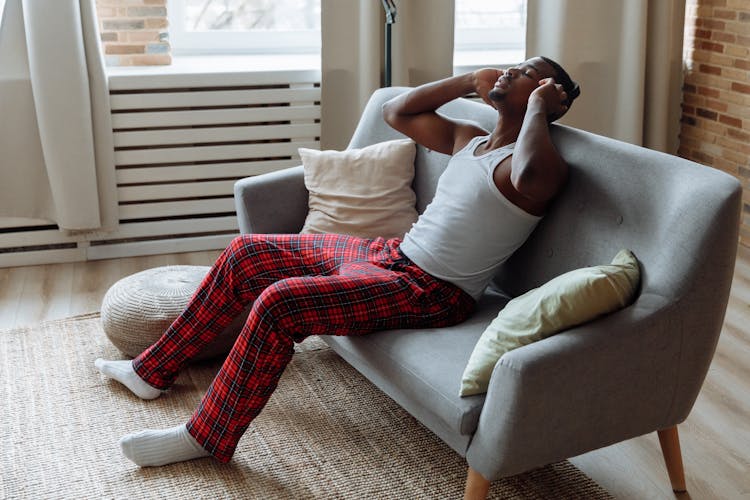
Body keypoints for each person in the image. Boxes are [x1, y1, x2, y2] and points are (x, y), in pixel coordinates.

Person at [95, 56, 580, 467]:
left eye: (522, 72)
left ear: (541, 94)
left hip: (432, 291)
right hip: (389, 255)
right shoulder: (469, 140)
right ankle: (151, 371)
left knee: (280, 304)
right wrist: (464, 82)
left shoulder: (535, 167)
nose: (507, 71)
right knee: (248, 253)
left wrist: (538, 107)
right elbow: (397, 111)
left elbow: (533, 171)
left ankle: (207, 437)